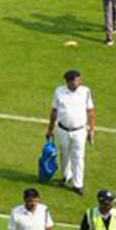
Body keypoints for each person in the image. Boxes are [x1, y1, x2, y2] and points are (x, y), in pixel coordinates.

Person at [48, 68, 96, 196]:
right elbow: (54, 111)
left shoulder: (85, 91)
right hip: (63, 129)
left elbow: (90, 110)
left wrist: (92, 129)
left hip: (80, 130)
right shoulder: (59, 91)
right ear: (68, 82)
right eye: (75, 80)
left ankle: (78, 184)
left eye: (79, 80)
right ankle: (65, 176)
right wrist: (50, 129)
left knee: (78, 157)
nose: (78, 83)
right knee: (64, 154)